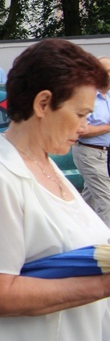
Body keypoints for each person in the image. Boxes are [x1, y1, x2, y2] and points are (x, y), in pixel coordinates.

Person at [0, 39, 110, 341]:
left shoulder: (45, 162)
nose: (84, 127)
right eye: (81, 113)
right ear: (43, 103)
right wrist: (103, 286)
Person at [71, 56, 110, 227]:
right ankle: (106, 248)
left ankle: (76, 232)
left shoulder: (107, 96)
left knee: (90, 199)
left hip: (106, 155)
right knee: (106, 200)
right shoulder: (87, 97)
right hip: (90, 153)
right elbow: (81, 130)